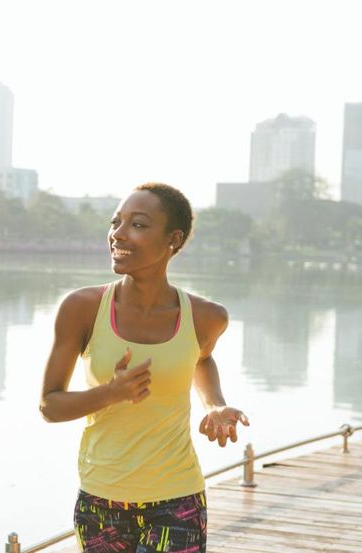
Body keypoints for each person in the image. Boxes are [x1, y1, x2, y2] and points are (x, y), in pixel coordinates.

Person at [39, 183, 249, 553]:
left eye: (137, 224)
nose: (118, 234)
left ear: (174, 239)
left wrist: (214, 404)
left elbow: (201, 357)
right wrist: (111, 393)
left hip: (177, 499)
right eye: (115, 222)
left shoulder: (206, 317)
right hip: (101, 500)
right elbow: (50, 406)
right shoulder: (82, 308)